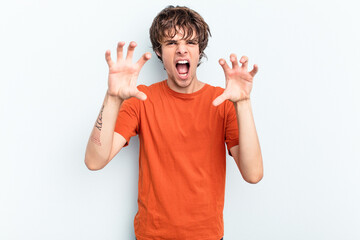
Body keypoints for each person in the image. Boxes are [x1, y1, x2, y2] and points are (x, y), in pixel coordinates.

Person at [85, 5, 263, 240]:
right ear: (159, 52)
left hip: (207, 236)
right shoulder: (141, 99)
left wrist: (243, 103)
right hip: (152, 236)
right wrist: (113, 97)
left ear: (200, 51)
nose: (181, 50)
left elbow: (253, 174)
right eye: (171, 43)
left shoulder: (223, 102)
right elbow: (94, 161)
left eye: (190, 42)